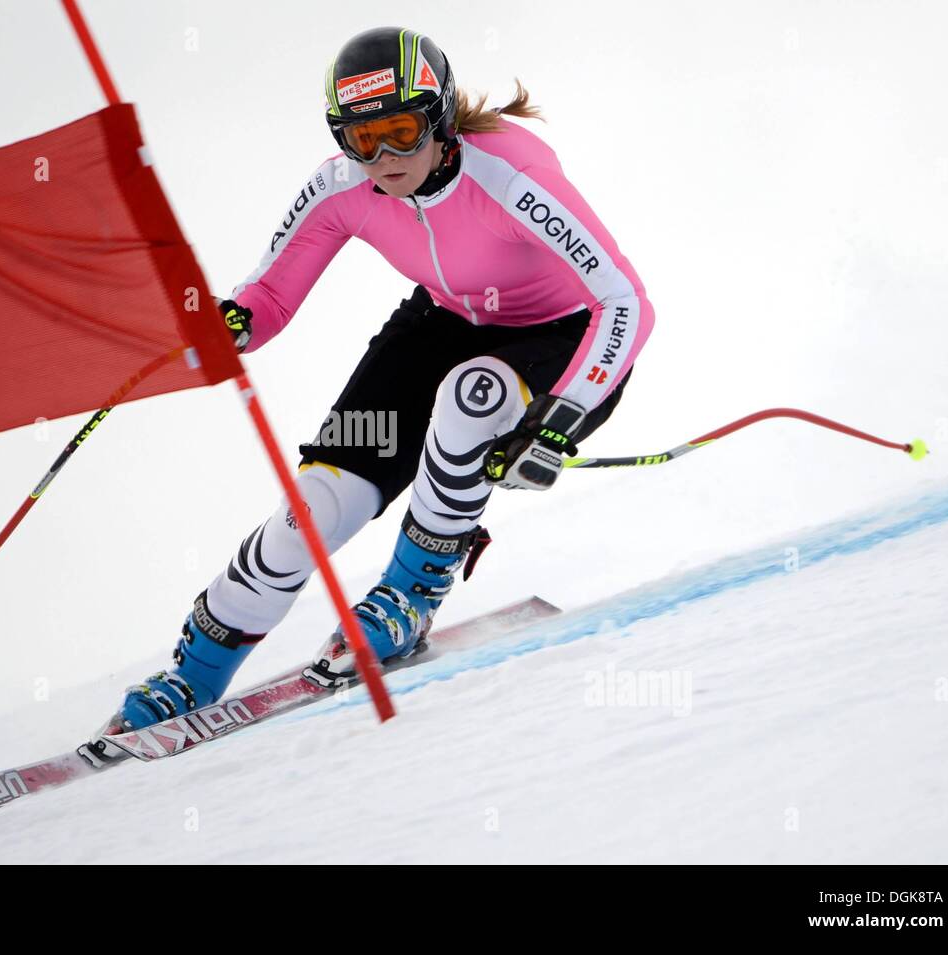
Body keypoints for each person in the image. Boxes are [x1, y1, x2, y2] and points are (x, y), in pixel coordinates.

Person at [116, 25, 654, 729]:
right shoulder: (342, 188)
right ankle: (193, 671)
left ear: (439, 116)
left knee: (473, 396)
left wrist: (562, 416)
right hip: (443, 322)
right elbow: (268, 297)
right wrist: (231, 324)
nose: (384, 158)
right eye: (361, 139)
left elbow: (625, 300)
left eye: (401, 130)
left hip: (566, 338)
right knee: (315, 505)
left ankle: (409, 593)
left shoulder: (510, 177)